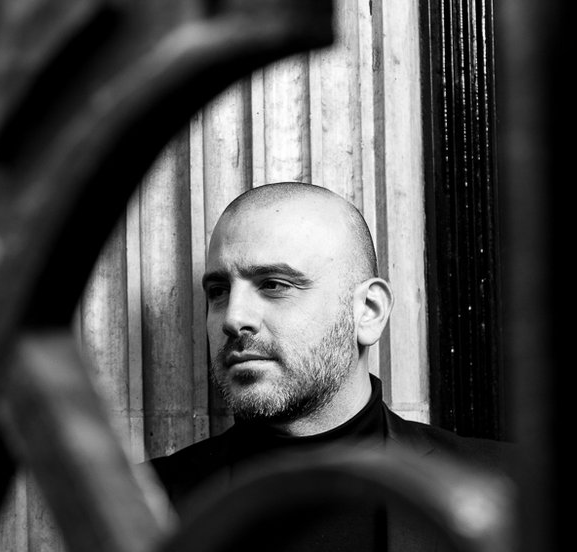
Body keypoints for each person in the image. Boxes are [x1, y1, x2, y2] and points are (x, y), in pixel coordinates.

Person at [147, 182, 511, 551]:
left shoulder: (510, 489)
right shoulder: (147, 507)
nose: (233, 318)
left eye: (273, 285)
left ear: (369, 311)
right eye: (218, 291)